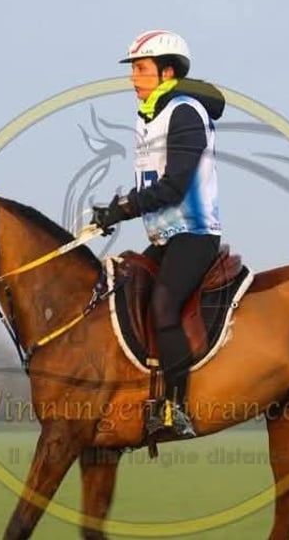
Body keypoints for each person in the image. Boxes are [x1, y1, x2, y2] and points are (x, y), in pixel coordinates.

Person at [91, 30, 225, 439]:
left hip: (195, 235)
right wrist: (116, 210)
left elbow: (175, 185)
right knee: (125, 294)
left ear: (167, 72)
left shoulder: (185, 113)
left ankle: (175, 411)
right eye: (133, 69)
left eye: (141, 69)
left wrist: (125, 207)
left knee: (164, 305)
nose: (133, 78)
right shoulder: (147, 117)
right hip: (165, 237)